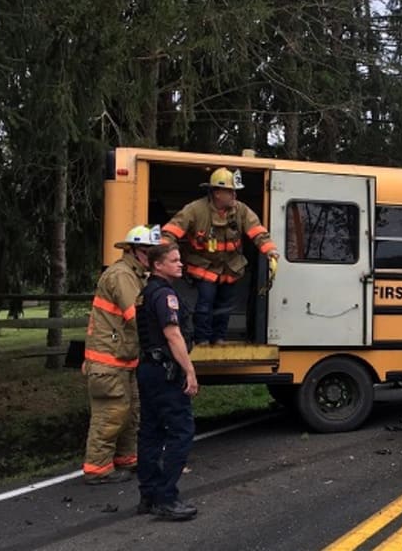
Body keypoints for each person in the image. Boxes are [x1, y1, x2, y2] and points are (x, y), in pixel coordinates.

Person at [161, 167, 279, 346]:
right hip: (204, 267)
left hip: (230, 267)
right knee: (205, 304)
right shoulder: (195, 210)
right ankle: (202, 340)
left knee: (225, 306)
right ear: (217, 193)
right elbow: (170, 232)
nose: (234, 195)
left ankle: (219, 339)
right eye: (230, 191)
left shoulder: (241, 210)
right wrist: (167, 255)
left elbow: (257, 231)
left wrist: (270, 249)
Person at [81, 225, 160, 484]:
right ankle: (98, 469)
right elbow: (137, 316)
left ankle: (127, 458)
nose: (153, 258)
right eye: (149, 252)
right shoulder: (122, 276)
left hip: (123, 359)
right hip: (109, 361)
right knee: (111, 414)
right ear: (135, 250)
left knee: (130, 412)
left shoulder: (136, 275)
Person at [136, 243, 200, 521]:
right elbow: (173, 335)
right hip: (165, 371)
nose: (180, 264)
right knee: (181, 432)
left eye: (180, 259)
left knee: (150, 433)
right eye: (174, 260)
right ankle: (166, 498)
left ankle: (149, 495)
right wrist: (190, 371)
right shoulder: (164, 295)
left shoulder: (146, 293)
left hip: (148, 369)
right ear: (158, 265)